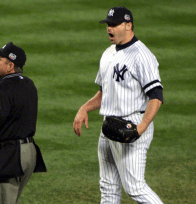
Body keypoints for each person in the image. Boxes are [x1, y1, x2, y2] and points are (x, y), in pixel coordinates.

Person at [73, 7, 164, 204]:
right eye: (108, 24)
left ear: (128, 25)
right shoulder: (108, 53)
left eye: (114, 24)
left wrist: (140, 128)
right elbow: (104, 93)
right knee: (108, 188)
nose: (109, 28)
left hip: (132, 125)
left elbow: (156, 96)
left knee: (135, 188)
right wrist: (84, 108)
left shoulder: (142, 55)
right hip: (109, 125)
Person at [0, 42, 47, 204]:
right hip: (29, 153)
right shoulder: (29, 84)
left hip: (9, 156)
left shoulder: (0, 89)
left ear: (10, 66)